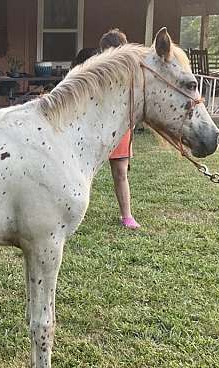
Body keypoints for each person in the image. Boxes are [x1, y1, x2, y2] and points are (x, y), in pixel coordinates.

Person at [100, 29, 141, 229]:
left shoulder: (132, 74)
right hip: (98, 128)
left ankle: (127, 215)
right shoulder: (100, 71)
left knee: (120, 172)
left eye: (109, 50)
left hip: (120, 128)